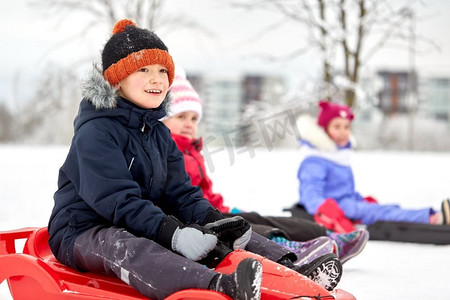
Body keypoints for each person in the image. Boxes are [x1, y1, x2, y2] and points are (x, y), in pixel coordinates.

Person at [47, 19, 343, 300]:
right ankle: (219, 286)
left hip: (138, 221)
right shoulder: (96, 132)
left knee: (219, 232)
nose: (156, 79)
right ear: (117, 79)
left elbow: (181, 194)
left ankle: (291, 268)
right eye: (143, 70)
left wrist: (217, 221)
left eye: (163, 71)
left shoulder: (158, 134)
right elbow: (117, 200)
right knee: (127, 247)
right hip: (84, 229)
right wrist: (172, 234)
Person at [162, 66, 369, 265]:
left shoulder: (191, 151)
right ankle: (289, 249)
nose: (189, 123)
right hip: (192, 220)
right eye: (181, 117)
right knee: (246, 227)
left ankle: (327, 237)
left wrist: (225, 208)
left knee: (257, 217)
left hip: (209, 209)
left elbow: (204, 192)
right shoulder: (166, 151)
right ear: (164, 119)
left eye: (194, 118)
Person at [295, 100, 450, 233]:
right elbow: (311, 196)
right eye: (337, 127)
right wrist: (329, 214)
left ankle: (433, 215)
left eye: (346, 127)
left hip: (347, 204)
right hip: (338, 209)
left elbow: (342, 190)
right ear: (324, 129)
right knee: (382, 212)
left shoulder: (338, 156)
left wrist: (359, 199)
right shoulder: (315, 161)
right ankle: (433, 218)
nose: (343, 132)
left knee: (384, 209)